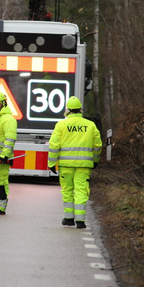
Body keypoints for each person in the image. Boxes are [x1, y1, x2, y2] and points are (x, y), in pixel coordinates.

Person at [48, 96, 102, 229]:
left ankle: (69, 218)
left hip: (65, 165)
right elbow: (98, 145)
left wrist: (51, 163)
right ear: (80, 110)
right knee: (81, 191)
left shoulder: (61, 125)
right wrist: (95, 161)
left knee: (67, 191)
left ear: (68, 110)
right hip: (84, 165)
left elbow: (54, 145)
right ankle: (80, 221)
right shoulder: (90, 125)